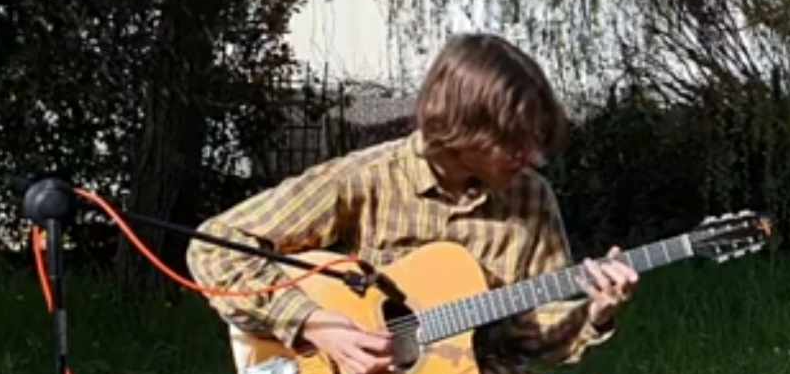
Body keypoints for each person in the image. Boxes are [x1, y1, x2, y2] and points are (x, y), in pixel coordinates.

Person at [187, 33, 638, 374]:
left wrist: (593, 313)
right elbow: (213, 246)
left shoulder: (531, 196)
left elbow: (535, 337)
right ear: (466, 128)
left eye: (535, 143)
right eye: (515, 144)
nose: (533, 158)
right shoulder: (367, 178)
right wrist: (311, 321)